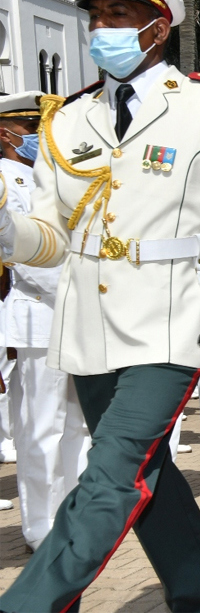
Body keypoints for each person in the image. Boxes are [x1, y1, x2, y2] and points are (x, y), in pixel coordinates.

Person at [0, 0, 200, 608]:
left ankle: (27, 603)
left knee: (111, 477)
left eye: (120, 14)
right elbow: (51, 238)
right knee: (147, 476)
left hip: (172, 322)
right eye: (95, 16)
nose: (104, 30)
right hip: (89, 330)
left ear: (159, 24)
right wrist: (6, 233)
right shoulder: (67, 119)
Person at [0, 92, 91, 550]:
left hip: (74, 314)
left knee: (75, 422)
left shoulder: (53, 175)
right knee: (41, 424)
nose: (40, 136)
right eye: (32, 129)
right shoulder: (3, 180)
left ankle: (72, 517)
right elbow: (26, 255)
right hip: (38, 313)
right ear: (6, 132)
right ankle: (40, 526)